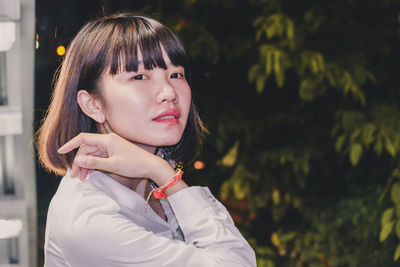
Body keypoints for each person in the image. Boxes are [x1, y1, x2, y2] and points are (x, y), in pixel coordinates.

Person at [37, 12, 256, 266]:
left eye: (176, 74)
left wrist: (161, 173)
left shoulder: (150, 187)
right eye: (139, 77)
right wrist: (163, 173)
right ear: (92, 104)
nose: (169, 93)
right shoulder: (90, 220)